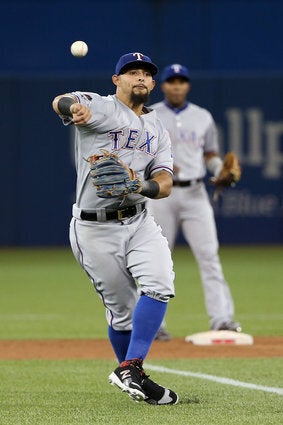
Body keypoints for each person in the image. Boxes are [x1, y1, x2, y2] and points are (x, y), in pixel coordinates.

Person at [52, 52, 178, 405]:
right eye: (131, 72)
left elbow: (165, 182)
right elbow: (63, 101)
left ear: (153, 84)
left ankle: (131, 368)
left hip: (139, 220)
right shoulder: (102, 107)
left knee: (159, 283)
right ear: (116, 80)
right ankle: (131, 372)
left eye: (145, 74)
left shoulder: (157, 128)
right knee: (122, 311)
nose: (139, 77)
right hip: (94, 229)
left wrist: (140, 186)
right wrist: (72, 109)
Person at [148, 63, 241, 341]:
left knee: (209, 256)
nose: (177, 85)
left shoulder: (202, 117)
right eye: (172, 81)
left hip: (196, 193)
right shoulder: (150, 115)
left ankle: (222, 319)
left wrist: (219, 171)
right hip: (162, 193)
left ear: (187, 85)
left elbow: (210, 154)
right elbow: (140, 153)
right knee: (156, 260)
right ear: (163, 85)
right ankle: (154, 324)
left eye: (181, 81)